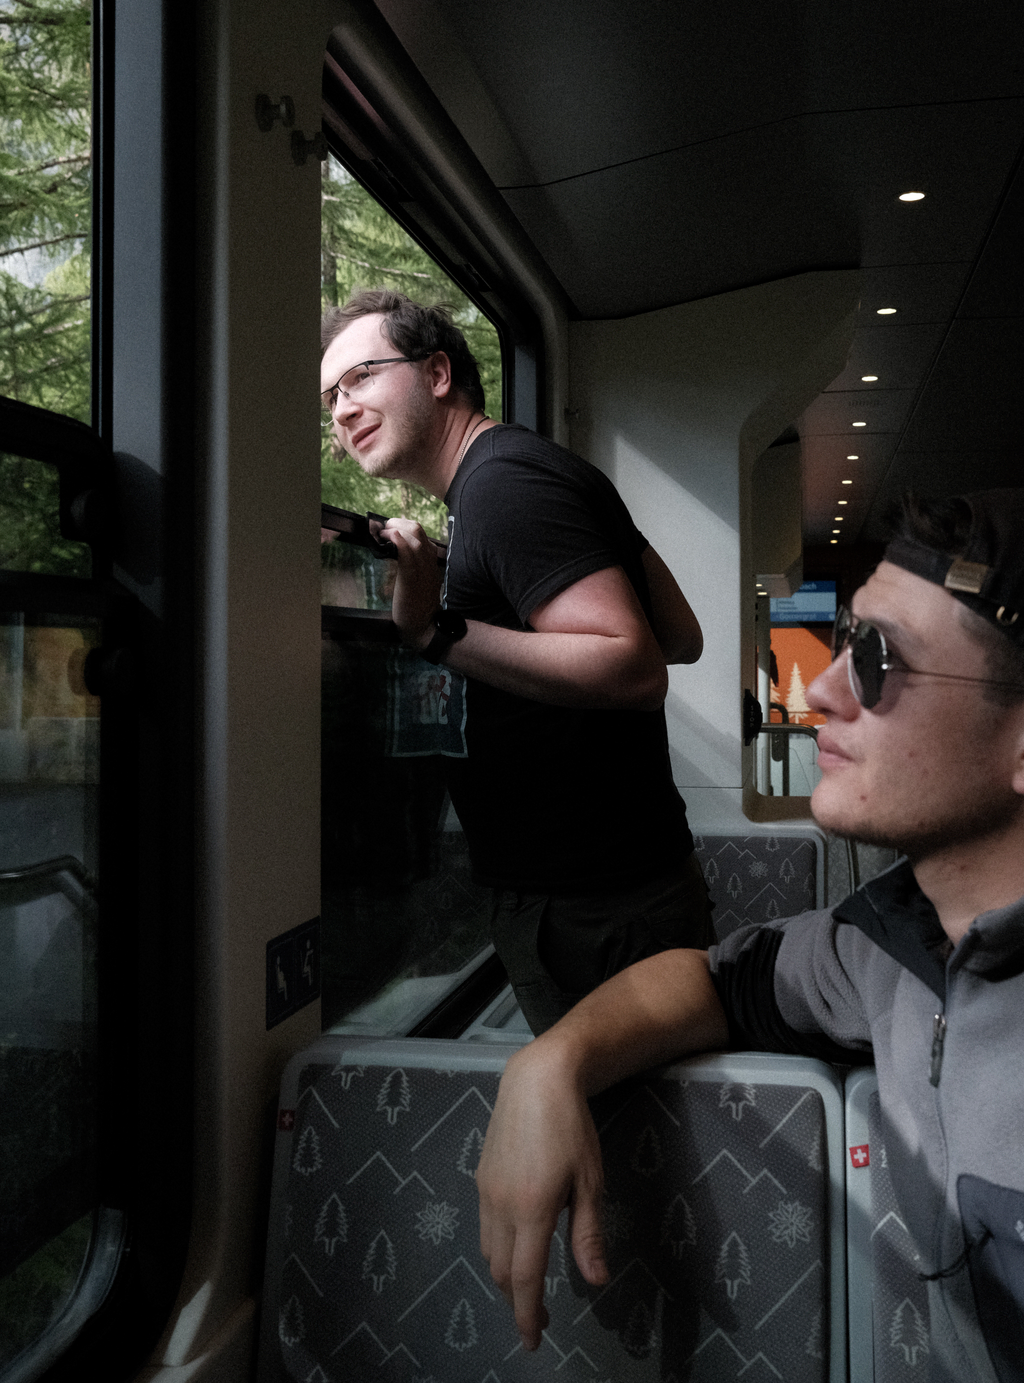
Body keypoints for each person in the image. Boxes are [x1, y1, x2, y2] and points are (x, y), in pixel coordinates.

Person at [474, 488, 1024, 1382]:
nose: (822, 689)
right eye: (847, 639)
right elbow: (714, 981)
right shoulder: (887, 946)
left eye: (879, 661)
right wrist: (549, 1062)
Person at [320, 288, 714, 1035]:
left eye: (362, 376)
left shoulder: (503, 489)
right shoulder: (523, 475)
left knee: (612, 1134)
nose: (341, 411)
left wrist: (435, 630)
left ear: (438, 373)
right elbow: (681, 633)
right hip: (629, 883)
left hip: (590, 905)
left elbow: (635, 667)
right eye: (331, 397)